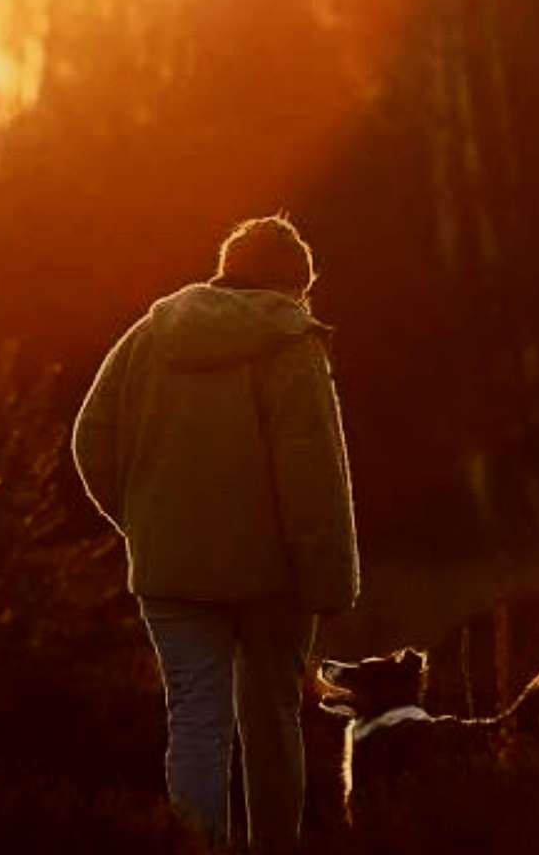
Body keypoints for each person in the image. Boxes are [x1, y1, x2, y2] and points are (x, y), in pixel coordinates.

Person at [71, 214, 360, 854]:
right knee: (273, 721)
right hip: (273, 579)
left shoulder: (150, 335)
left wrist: (144, 523)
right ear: (294, 286)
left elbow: (90, 440)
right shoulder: (293, 341)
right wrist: (331, 582)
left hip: (171, 573)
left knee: (196, 720)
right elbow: (313, 473)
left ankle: (196, 848)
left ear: (227, 270)